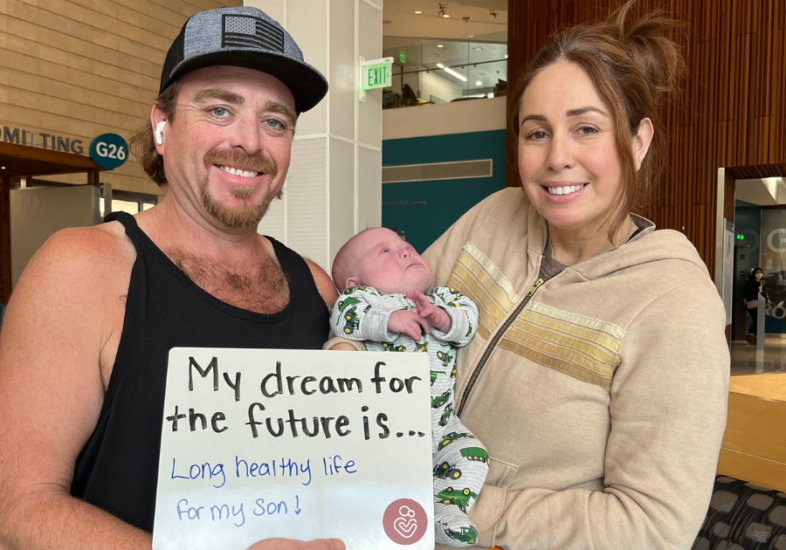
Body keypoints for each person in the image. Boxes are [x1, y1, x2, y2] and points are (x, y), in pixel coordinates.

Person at [327, 1, 730, 548]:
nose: (557, 157)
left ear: (638, 142)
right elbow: (382, 305)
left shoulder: (674, 301)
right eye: (536, 133)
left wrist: (443, 500)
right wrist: (343, 358)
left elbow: (652, 526)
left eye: (586, 128)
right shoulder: (493, 216)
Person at [0, 7, 343, 550]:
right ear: (163, 125)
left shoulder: (316, 286)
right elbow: (19, 510)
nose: (250, 141)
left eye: (275, 121)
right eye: (219, 109)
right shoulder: (80, 269)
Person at [330, 228, 487, 547]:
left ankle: (446, 509)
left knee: (472, 455)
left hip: (442, 424)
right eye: (384, 252)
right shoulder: (364, 300)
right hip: (387, 428)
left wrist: (443, 319)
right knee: (376, 475)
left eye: (407, 246)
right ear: (356, 283)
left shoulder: (442, 298)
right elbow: (344, 319)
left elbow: (469, 321)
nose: (405, 251)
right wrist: (389, 321)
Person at [743, 267, 771, 345]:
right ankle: (750, 334)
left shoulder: (762, 282)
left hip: (760, 304)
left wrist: (767, 300)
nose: (759, 274)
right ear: (754, 274)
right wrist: (757, 296)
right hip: (752, 303)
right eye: (757, 272)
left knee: (759, 321)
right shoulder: (750, 283)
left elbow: (765, 292)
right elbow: (747, 293)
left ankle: (755, 337)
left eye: (760, 272)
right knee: (756, 320)